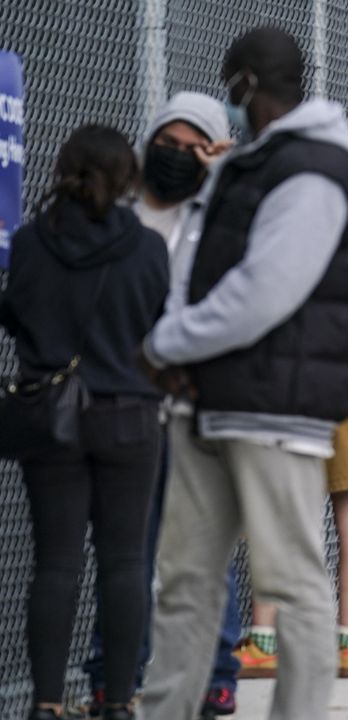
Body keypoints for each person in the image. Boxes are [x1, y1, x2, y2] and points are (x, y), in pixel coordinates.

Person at [138, 28, 348, 720]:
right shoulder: (250, 164)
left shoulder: (316, 168)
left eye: (229, 86)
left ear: (242, 81)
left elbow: (265, 291)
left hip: (275, 409)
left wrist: (165, 344)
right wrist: (177, 350)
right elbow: (194, 264)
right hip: (209, 402)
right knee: (184, 582)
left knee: (292, 582)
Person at [73, 92, 242, 719]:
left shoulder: (221, 214)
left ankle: (216, 671)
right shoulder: (119, 217)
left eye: (192, 146)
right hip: (126, 402)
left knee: (202, 549)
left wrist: (230, 167)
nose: (174, 157)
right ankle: (111, 670)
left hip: (195, 402)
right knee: (126, 549)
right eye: (165, 144)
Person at [0, 125, 169, 720]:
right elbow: (160, 324)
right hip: (130, 415)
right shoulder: (148, 248)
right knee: (124, 561)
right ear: (128, 177)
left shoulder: (27, 244)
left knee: (56, 562)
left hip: (53, 418)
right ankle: (117, 702)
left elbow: (17, 315)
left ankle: (46, 703)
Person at [235, 252, 348, 679]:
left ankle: (265, 642)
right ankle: (346, 645)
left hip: (305, 391)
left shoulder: (293, 264)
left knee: (285, 522)